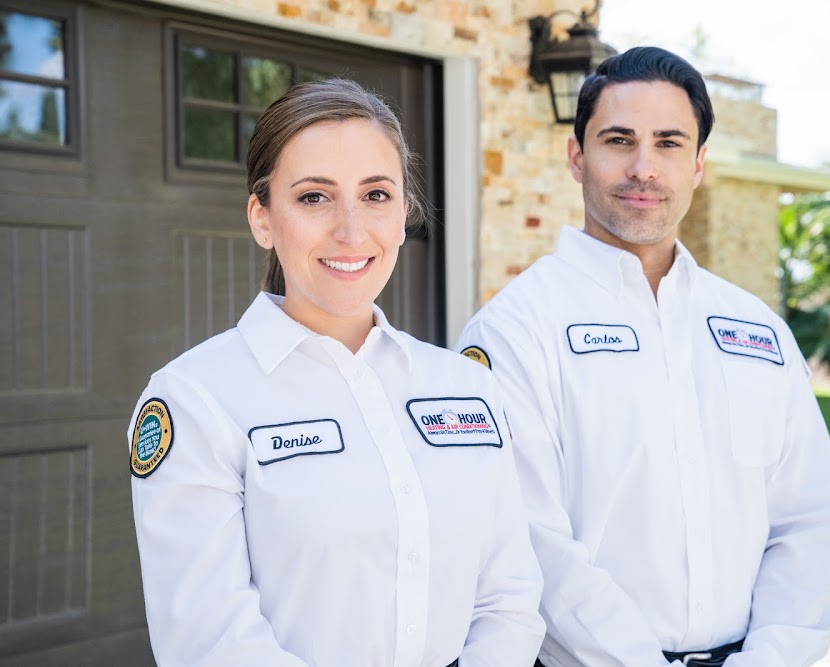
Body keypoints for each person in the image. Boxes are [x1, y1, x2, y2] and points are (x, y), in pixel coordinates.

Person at [128, 78, 545, 667]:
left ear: (404, 215)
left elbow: (509, 597)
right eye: (314, 197)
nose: (352, 231)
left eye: (376, 195)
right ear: (263, 218)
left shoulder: (466, 387)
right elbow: (209, 638)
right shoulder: (197, 400)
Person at [456, 47, 830, 667]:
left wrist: (771, 656)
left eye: (669, 143)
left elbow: (808, 515)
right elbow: (529, 539)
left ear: (697, 164)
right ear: (577, 157)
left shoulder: (758, 332)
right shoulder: (514, 330)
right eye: (619, 140)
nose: (644, 168)